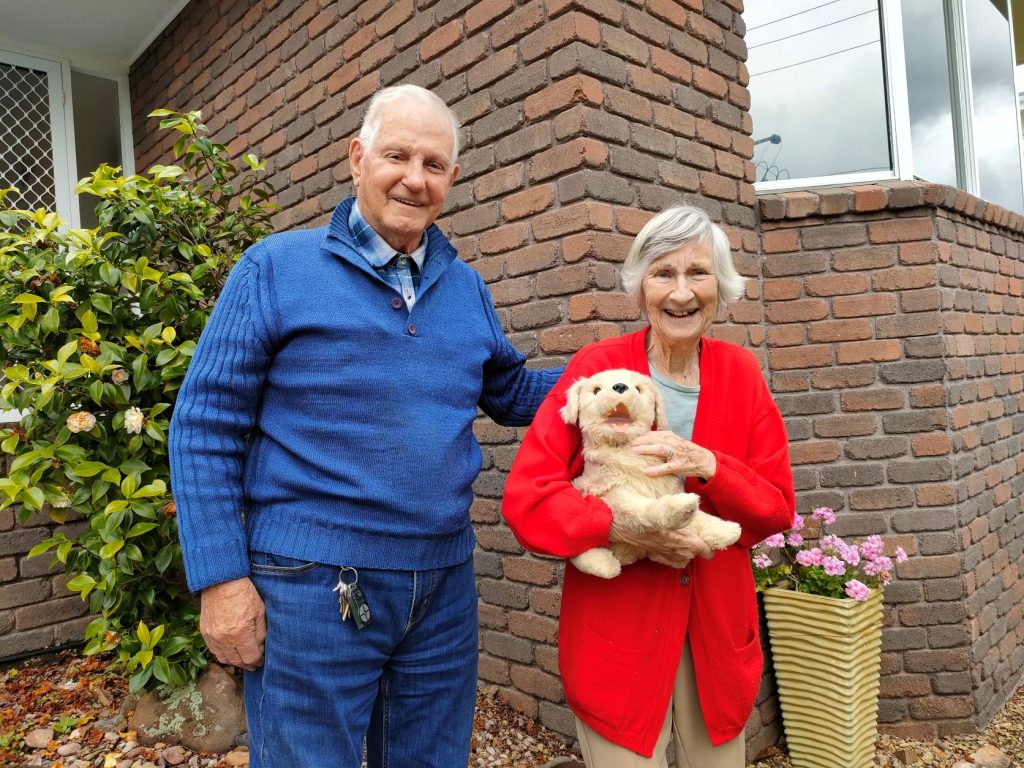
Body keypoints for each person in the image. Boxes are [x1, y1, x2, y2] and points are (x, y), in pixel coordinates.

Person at [169, 84, 561, 768]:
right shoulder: (274, 270)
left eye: (434, 164)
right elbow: (204, 425)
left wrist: (624, 368)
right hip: (309, 584)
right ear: (357, 158)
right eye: (397, 155)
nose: (415, 178)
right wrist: (221, 581)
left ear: (452, 179)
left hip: (441, 584)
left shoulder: (464, 288)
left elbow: (511, 392)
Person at [502, 205, 795, 767]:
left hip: (716, 634)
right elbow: (528, 496)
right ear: (640, 288)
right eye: (663, 273)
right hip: (620, 635)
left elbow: (777, 508)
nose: (681, 292)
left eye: (698, 273)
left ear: (721, 285)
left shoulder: (741, 374)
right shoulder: (598, 368)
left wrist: (708, 463)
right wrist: (625, 525)